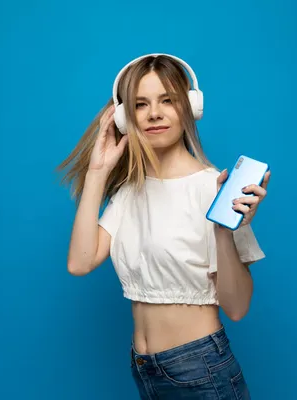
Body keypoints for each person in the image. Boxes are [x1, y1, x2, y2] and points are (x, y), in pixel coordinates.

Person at [57, 53, 270, 399]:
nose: (154, 113)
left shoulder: (214, 189)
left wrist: (222, 231)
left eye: (167, 100)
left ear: (190, 106)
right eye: (140, 104)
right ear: (126, 118)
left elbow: (237, 308)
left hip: (201, 370)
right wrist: (98, 172)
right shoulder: (130, 191)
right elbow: (80, 262)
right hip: (145, 368)